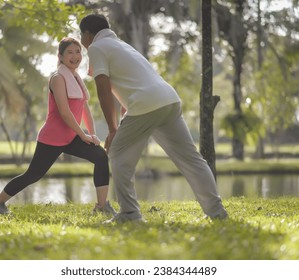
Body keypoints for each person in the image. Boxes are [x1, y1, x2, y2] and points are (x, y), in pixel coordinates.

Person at [79, 14, 228, 223]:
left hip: (146, 105)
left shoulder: (97, 47)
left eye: (81, 36)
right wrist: (125, 109)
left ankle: (130, 214)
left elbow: (103, 88)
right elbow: (131, 79)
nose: (82, 42)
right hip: (169, 100)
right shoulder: (122, 45)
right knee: (192, 160)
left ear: (87, 34)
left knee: (118, 154)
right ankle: (217, 213)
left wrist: (113, 130)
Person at [0, 37, 116, 216]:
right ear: (61, 56)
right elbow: (65, 112)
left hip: (72, 136)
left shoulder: (76, 78)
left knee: (100, 157)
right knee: (32, 175)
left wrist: (92, 135)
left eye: (78, 51)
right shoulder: (58, 78)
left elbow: (84, 108)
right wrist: (83, 135)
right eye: (70, 52)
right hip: (53, 137)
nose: (75, 56)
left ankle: (102, 207)